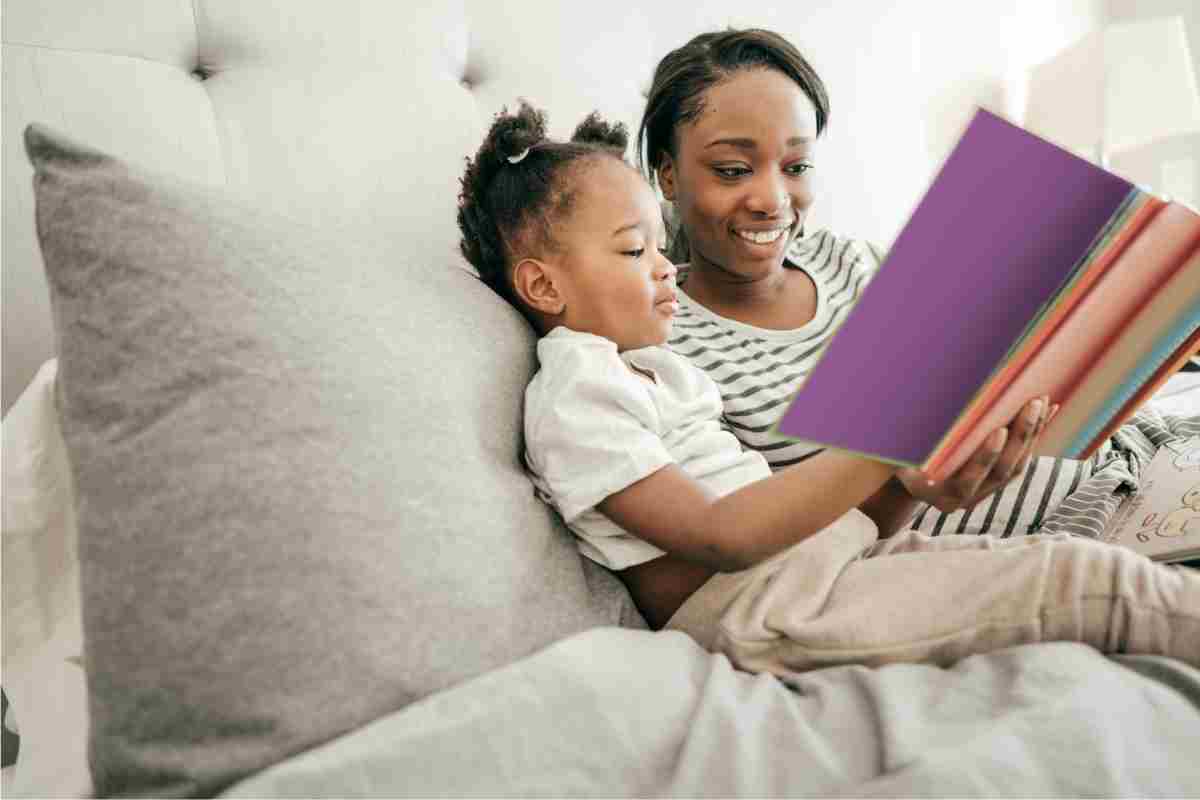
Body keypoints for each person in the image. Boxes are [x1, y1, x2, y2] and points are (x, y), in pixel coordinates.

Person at [456, 102, 1199, 673]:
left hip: (822, 572)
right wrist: (893, 436)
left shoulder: (651, 368)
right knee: (1079, 580)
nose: (662, 265)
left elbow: (835, 522)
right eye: (632, 248)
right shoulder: (575, 393)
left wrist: (918, 473)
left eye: (658, 242)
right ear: (541, 284)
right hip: (762, 610)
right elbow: (726, 535)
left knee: (1053, 564)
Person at [637, 28, 1072, 538]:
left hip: (1121, 466)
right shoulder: (665, 343)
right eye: (733, 170)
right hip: (1054, 533)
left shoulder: (849, 260)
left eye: (796, 166)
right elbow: (776, 548)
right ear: (668, 175)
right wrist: (905, 489)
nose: (773, 199)